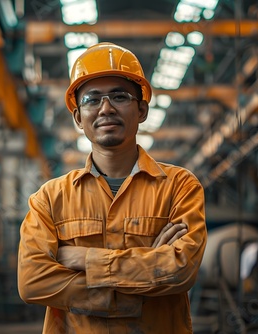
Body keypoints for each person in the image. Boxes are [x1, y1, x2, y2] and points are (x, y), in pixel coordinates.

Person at [17, 42, 207, 333]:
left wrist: (84, 259)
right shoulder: (50, 199)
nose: (106, 108)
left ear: (141, 110)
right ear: (79, 117)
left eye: (119, 96)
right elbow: (32, 281)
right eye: (92, 100)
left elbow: (181, 271)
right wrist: (141, 278)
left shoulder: (180, 188)